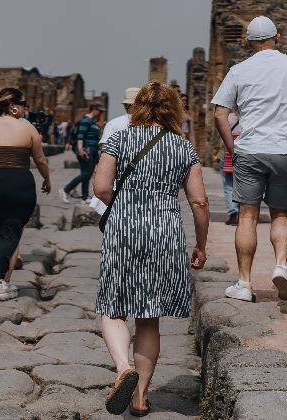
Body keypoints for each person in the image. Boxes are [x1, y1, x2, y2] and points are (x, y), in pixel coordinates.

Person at [93, 82, 209, 416]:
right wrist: (200, 244)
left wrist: (126, 205)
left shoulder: (119, 138)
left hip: (123, 228)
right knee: (148, 317)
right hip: (165, 230)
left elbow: (101, 187)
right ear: (174, 109)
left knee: (113, 308)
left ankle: (123, 369)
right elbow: (199, 202)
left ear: (138, 107)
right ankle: (140, 398)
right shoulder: (183, 147)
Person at [212, 16, 287, 303]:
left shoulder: (238, 70)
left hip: (250, 149)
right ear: (278, 37)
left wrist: (233, 148)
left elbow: (220, 114)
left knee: (247, 214)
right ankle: (281, 266)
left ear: (248, 42)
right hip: (286, 149)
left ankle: (245, 283)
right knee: (281, 213)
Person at [0, 88, 50, 301]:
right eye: (24, 104)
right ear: (14, 106)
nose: (26, 108)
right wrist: (47, 179)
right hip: (18, 184)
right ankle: (4, 285)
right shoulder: (29, 129)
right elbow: (40, 159)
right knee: (13, 230)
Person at [59, 103, 104, 204]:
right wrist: (80, 150)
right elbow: (80, 136)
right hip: (86, 149)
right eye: (100, 111)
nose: (101, 113)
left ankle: (85, 196)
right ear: (94, 109)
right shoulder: (86, 120)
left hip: (93, 149)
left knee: (86, 174)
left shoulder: (93, 122)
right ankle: (65, 190)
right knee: (86, 173)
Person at [218, 111, 241, 225]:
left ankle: (233, 213)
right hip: (247, 151)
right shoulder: (252, 116)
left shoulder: (227, 117)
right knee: (245, 183)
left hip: (228, 151)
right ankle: (245, 212)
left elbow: (220, 132)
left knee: (228, 184)